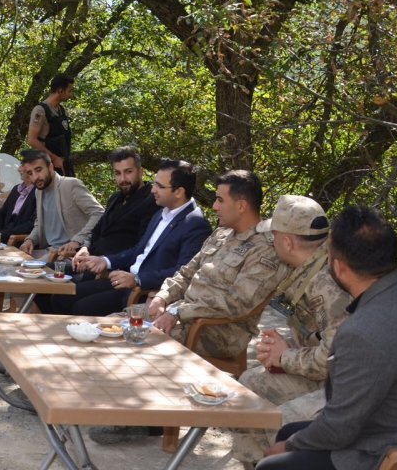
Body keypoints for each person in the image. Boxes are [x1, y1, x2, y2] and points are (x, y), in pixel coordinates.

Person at [93, 169, 283, 445]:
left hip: (220, 330)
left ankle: (144, 422)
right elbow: (185, 272)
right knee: (113, 325)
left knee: (147, 339)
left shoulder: (264, 249)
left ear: (241, 206)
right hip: (182, 313)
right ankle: (129, 407)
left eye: (220, 200)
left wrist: (177, 312)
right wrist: (163, 297)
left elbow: (236, 304)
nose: (214, 206)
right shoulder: (220, 235)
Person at [259, 206, 397, 470]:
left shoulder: (362, 331)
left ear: (339, 267)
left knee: (273, 463)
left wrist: (289, 447)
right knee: (289, 432)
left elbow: (339, 427)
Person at [228, 195, 349, 469]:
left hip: (345, 387)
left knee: (281, 418)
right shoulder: (308, 269)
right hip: (323, 375)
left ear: (287, 241)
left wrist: (285, 358)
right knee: (249, 386)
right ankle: (254, 464)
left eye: (274, 236)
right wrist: (281, 353)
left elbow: (335, 360)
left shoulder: (327, 283)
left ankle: (278, 463)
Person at [45, 158, 210, 316]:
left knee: (82, 307)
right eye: (154, 184)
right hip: (125, 282)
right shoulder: (161, 213)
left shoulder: (196, 225)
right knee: (61, 296)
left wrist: (138, 279)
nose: (153, 190)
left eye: (159, 186)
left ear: (179, 192)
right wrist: (105, 260)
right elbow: (137, 251)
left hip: (143, 293)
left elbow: (182, 273)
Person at [17, 149, 104, 259]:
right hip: (49, 251)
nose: (35, 177)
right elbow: (40, 222)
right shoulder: (38, 191)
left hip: (70, 255)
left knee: (21, 270)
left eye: (38, 170)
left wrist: (77, 240)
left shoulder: (70, 185)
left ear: (50, 167)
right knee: (9, 261)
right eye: (30, 173)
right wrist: (30, 240)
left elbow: (99, 213)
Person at [78, 146, 160, 256]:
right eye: (118, 173)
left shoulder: (152, 199)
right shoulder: (115, 198)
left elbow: (142, 246)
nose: (123, 179)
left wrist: (106, 263)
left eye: (128, 172)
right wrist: (84, 248)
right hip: (91, 259)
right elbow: (97, 230)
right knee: (50, 267)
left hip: (116, 268)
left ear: (141, 172)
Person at [26, 74, 76, 176]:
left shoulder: (61, 110)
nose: (71, 95)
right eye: (70, 91)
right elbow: (32, 140)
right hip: (47, 166)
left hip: (64, 164)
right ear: (60, 91)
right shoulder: (40, 111)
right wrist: (54, 158)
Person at [0, 171, 36, 245]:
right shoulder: (16, 188)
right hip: (3, 233)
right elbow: (2, 212)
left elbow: (31, 224)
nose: (19, 169)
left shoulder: (39, 192)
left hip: (19, 239)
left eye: (23, 166)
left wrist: (3, 234)